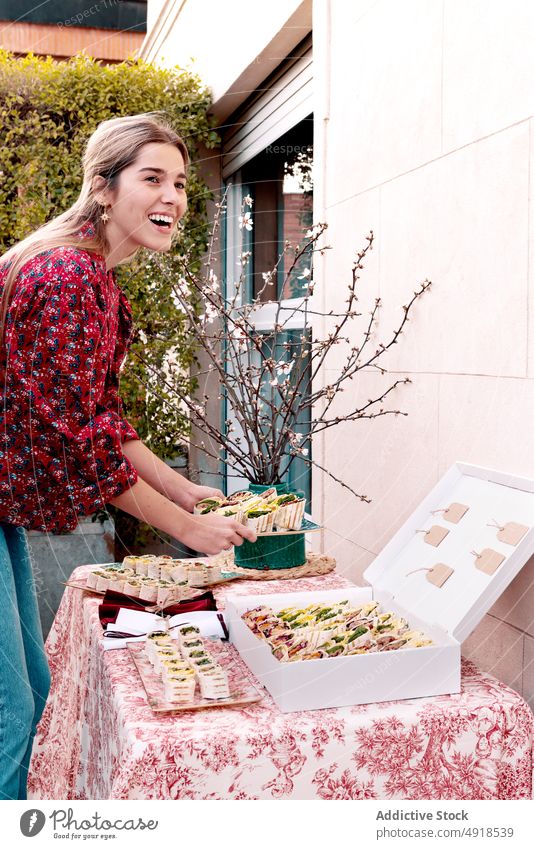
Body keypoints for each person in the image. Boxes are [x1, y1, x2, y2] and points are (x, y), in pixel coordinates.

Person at [0, 113, 256, 799]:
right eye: (152, 178)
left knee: (35, 686)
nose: (173, 196)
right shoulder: (65, 276)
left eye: (178, 182)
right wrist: (190, 532)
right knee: (10, 712)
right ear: (104, 188)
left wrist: (182, 492)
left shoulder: (95, 276)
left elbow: (101, 416)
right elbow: (78, 442)